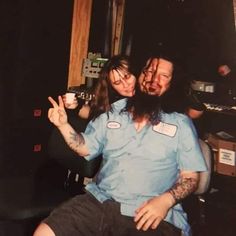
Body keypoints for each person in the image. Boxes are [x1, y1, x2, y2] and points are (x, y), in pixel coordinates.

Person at [33, 54, 207, 236]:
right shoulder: (113, 112)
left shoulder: (180, 123)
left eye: (163, 75)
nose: (153, 79)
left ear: (172, 83)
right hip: (101, 202)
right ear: (140, 75)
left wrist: (165, 201)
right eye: (149, 71)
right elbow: (84, 147)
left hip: (151, 214)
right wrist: (63, 125)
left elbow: (190, 178)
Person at [48, 54, 137, 179]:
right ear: (112, 87)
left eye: (127, 76)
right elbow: (95, 114)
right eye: (117, 82)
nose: (125, 84)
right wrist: (75, 108)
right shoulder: (113, 109)